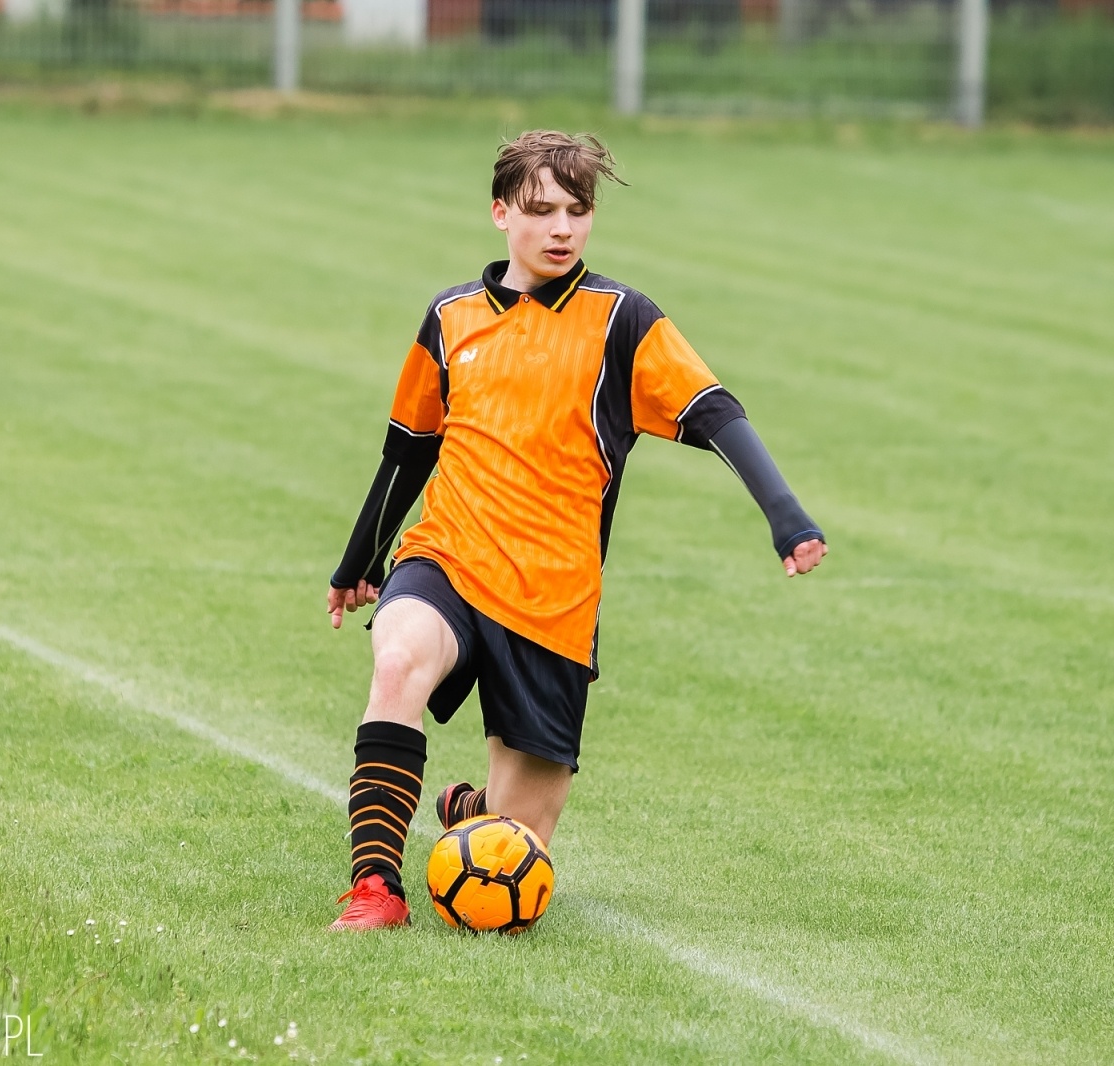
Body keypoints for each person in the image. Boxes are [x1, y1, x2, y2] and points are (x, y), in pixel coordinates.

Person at [326, 131, 825, 929]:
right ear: (500, 213)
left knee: (516, 845)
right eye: (542, 210)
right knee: (397, 660)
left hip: (553, 602)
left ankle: (473, 804)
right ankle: (375, 891)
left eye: (578, 210)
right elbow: (410, 445)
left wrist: (786, 516)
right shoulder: (451, 317)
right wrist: (361, 561)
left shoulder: (622, 320)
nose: (562, 227)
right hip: (446, 556)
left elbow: (712, 410)